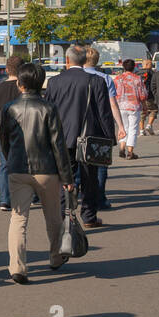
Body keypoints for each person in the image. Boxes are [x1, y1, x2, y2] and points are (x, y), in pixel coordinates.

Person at [0, 61, 75, 283]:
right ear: (41, 84)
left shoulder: (9, 108)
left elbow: (3, 141)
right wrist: (67, 177)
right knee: (53, 216)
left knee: (18, 218)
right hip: (47, 169)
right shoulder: (49, 108)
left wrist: (11, 158)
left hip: (18, 168)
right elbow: (58, 145)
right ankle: (56, 256)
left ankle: (18, 266)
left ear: (19, 84)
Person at [45, 44, 117, 228]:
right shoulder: (96, 81)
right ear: (85, 59)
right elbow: (104, 113)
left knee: (64, 178)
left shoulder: (54, 82)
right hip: (89, 137)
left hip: (62, 137)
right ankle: (89, 216)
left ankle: (64, 215)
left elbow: (49, 111)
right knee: (90, 179)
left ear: (67, 60)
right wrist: (110, 138)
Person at [83, 48, 126, 210]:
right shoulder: (105, 78)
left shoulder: (78, 77)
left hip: (81, 126)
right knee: (101, 164)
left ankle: (83, 196)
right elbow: (112, 104)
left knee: (81, 162)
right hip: (101, 126)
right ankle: (100, 198)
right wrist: (120, 126)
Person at [0, 55, 23, 211]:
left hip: (2, 130)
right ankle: (25, 196)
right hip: (21, 129)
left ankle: (4, 199)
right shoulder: (23, 87)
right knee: (23, 164)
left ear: (7, 69)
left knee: (4, 165)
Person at [113, 59, 147, 160]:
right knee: (133, 128)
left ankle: (122, 147)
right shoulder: (137, 79)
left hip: (120, 106)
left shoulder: (117, 78)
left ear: (123, 67)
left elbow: (113, 93)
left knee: (123, 127)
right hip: (134, 106)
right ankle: (130, 152)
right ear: (134, 67)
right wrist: (144, 106)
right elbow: (143, 95)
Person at [142, 59, 159, 136]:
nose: (151, 65)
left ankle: (141, 130)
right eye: (150, 64)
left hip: (139, 97)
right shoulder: (152, 73)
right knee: (153, 110)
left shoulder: (137, 73)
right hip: (150, 96)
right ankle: (149, 125)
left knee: (142, 113)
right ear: (147, 65)